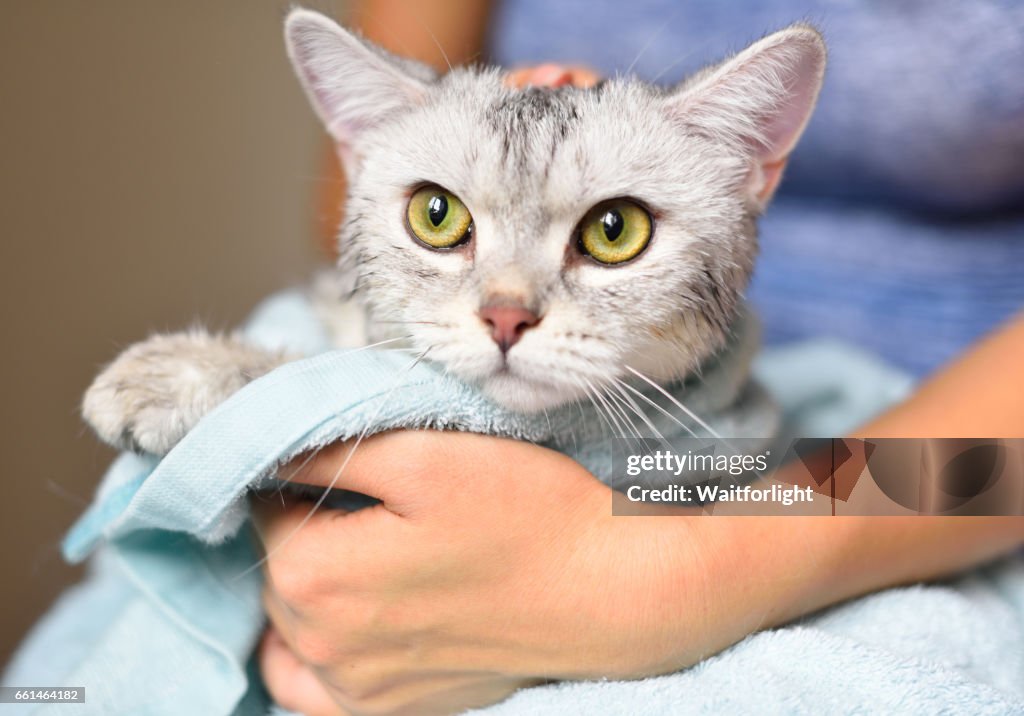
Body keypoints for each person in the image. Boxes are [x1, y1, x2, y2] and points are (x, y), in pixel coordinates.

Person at [259, 2, 1024, 713]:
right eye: (442, 220)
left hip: (925, 466)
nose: (510, 308)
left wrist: (682, 577)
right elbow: (357, 202)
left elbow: (992, 470)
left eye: (612, 229)